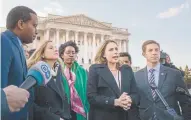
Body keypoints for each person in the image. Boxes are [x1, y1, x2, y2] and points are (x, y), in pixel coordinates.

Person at [135, 40, 191, 120]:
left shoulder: (174, 74)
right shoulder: (136, 76)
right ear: (144, 54)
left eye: (156, 50)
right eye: (150, 50)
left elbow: (185, 101)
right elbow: (135, 102)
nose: (154, 53)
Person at [1, 6, 38, 120]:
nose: (36, 31)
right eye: (34, 25)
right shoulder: (4, 41)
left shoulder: (18, 46)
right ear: (21, 24)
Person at [87, 40, 137, 120]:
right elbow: (92, 97)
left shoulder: (127, 70)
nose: (115, 52)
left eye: (116, 49)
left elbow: (136, 94)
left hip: (125, 116)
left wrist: (129, 99)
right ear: (104, 54)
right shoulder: (95, 69)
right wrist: (115, 102)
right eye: (111, 50)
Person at [28, 41, 70, 120]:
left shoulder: (59, 72)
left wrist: (66, 116)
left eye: (56, 48)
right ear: (42, 54)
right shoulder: (35, 72)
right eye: (51, 48)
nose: (55, 49)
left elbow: (64, 98)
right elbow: (30, 104)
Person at [58, 41, 89, 120]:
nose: (71, 55)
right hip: (63, 110)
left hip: (79, 110)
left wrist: (86, 107)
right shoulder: (58, 70)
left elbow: (87, 90)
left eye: (73, 52)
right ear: (62, 55)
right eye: (68, 52)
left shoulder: (82, 71)